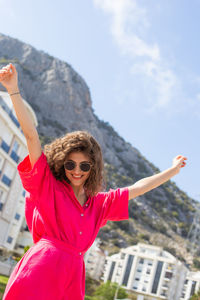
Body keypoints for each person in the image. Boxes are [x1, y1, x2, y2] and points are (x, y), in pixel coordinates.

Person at [0, 63, 187, 300]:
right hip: (41, 266)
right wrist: (13, 89)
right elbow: (31, 136)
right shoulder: (48, 185)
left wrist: (172, 170)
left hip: (73, 273)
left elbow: (139, 187)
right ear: (61, 163)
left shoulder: (100, 204)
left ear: (93, 168)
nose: (76, 171)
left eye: (84, 166)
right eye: (70, 164)